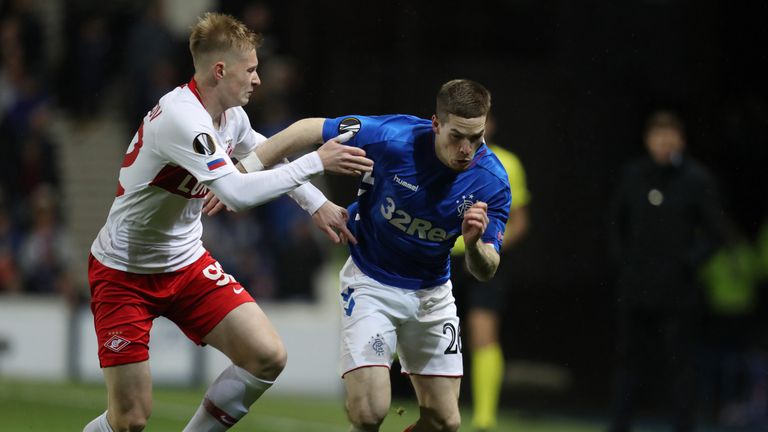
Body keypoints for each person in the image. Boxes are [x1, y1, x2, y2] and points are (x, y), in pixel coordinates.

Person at [83, 12, 372, 432]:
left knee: (267, 355)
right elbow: (236, 192)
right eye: (251, 69)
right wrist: (317, 161)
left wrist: (317, 204)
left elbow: (266, 151)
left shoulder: (231, 116)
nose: (258, 79)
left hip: (185, 264)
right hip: (124, 272)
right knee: (130, 420)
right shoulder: (183, 118)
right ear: (220, 70)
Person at [226, 79, 512, 432]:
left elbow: (487, 269)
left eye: (476, 137)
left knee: (445, 422)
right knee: (369, 412)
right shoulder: (393, 137)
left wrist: (472, 245)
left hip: (432, 294)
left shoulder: (492, 181)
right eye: (457, 136)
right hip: (371, 283)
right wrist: (238, 175)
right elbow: (307, 129)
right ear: (436, 124)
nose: (467, 149)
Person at [607, 111, 727, 432]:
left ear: (681, 142)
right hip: (635, 289)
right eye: (658, 138)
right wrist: (624, 262)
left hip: (678, 293)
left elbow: (717, 233)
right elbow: (615, 223)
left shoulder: (697, 180)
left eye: (669, 139)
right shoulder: (633, 175)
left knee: (680, 368)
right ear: (648, 141)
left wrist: (688, 264)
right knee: (628, 365)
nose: (663, 145)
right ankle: (619, 426)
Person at [450, 114, 530, 432]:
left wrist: (491, 248)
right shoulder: (447, 156)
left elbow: (521, 220)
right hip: (444, 255)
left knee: (483, 334)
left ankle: (484, 417)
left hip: (484, 259)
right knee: (425, 328)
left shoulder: (508, 163)